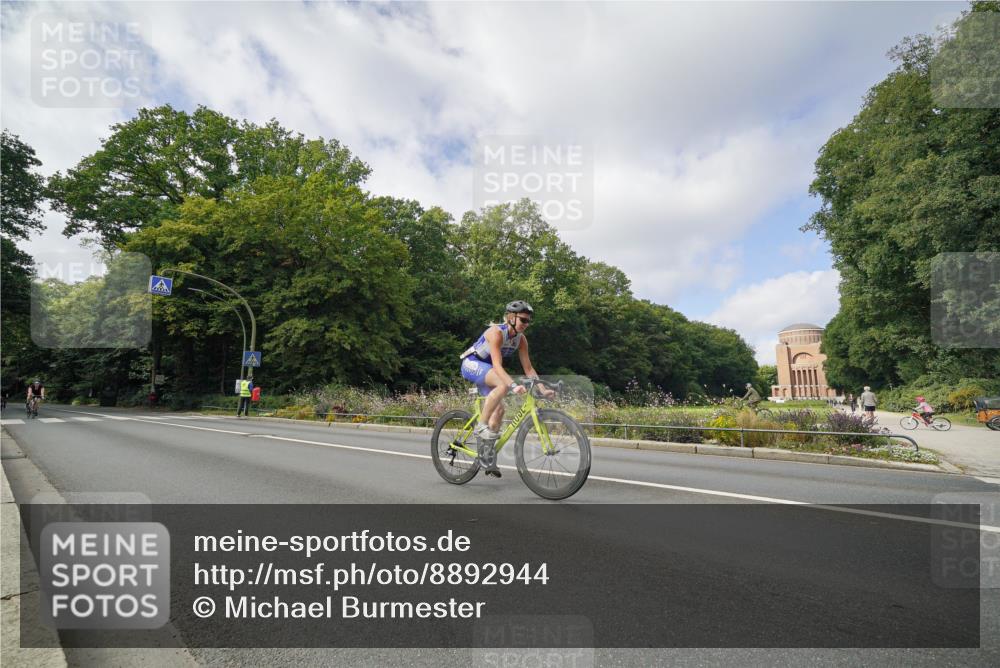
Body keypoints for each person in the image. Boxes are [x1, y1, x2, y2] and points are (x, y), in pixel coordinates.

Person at [459, 300, 551, 478]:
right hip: (472, 363)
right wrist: (513, 385)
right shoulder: (496, 333)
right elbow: (497, 366)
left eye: (528, 321)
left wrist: (542, 388)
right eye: (523, 320)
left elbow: (529, 369)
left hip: (488, 370)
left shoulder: (521, 339)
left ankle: (487, 456)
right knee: (503, 384)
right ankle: (481, 427)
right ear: (511, 317)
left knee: (500, 410)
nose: (526, 324)